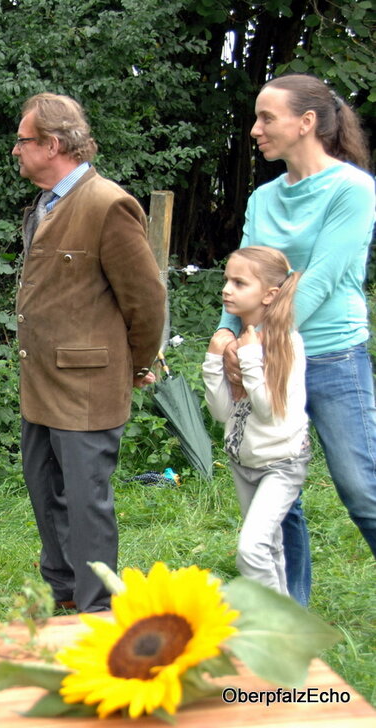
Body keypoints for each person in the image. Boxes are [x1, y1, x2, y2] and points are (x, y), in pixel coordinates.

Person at [215, 74, 376, 606]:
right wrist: (224, 332)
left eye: (267, 117)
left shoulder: (352, 189)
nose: (256, 129)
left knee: (361, 488)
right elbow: (244, 276)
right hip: (267, 359)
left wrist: (256, 340)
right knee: (274, 486)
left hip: (330, 355)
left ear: (306, 123)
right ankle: (291, 618)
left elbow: (322, 279)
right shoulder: (264, 197)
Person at [12, 93, 166, 613]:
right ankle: (65, 596)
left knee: (85, 504)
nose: (16, 150)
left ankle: (97, 609)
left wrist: (138, 363)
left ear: (52, 144)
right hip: (40, 387)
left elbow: (145, 300)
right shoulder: (46, 204)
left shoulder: (107, 204)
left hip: (87, 389)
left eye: (23, 140)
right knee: (44, 493)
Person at [205, 247, 309, 594]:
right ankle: (285, 626)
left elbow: (268, 411)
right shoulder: (240, 342)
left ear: (269, 295)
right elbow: (222, 413)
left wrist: (249, 357)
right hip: (244, 461)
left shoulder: (285, 344)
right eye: (226, 281)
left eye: (239, 283)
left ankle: (273, 625)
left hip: (280, 463)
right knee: (270, 547)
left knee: (251, 551)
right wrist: (213, 360)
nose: (227, 290)